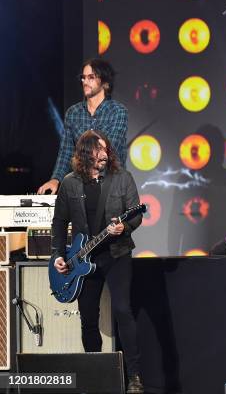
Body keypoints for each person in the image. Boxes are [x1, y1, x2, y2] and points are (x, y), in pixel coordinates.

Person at [51, 130, 144, 393]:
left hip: (117, 254)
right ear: (84, 154)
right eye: (97, 150)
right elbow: (59, 222)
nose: (103, 154)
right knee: (88, 318)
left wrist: (123, 226)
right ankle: (96, 375)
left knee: (123, 311)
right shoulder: (69, 183)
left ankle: (134, 377)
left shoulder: (122, 178)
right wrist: (58, 254)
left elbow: (136, 215)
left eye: (105, 149)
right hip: (82, 260)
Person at [38, 58, 128, 195]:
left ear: (105, 83)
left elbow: (108, 150)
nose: (85, 82)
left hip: (112, 190)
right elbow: (66, 152)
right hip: (80, 191)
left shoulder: (118, 111)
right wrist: (56, 179)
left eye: (91, 77)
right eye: (83, 78)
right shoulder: (73, 113)